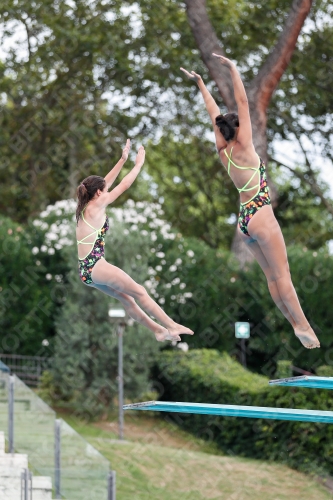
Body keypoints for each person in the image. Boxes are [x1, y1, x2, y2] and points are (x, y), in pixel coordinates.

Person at [181, 55, 320, 349]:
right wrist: (233, 68)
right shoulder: (244, 145)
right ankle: (301, 324)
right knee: (283, 274)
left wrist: (202, 85)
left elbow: (213, 113)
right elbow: (242, 104)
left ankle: (293, 322)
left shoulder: (224, 151)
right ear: (240, 127)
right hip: (260, 213)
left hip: (245, 221)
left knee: (272, 277)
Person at [76, 139, 194, 342]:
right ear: (98, 193)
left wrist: (122, 160)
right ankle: (171, 325)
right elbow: (124, 184)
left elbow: (106, 182)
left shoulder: (86, 205)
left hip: (86, 271)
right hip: (96, 266)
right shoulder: (97, 204)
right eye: (102, 190)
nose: (105, 191)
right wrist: (138, 163)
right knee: (139, 291)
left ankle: (157, 330)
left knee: (127, 298)